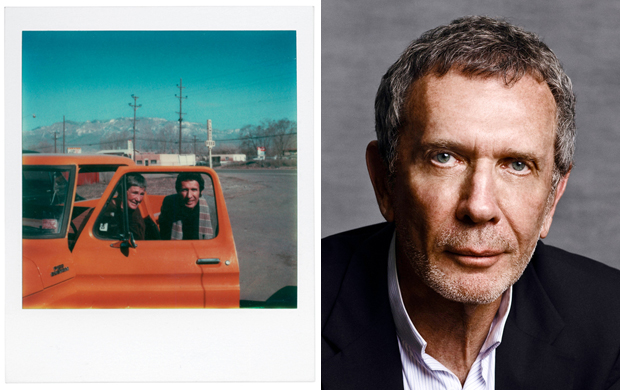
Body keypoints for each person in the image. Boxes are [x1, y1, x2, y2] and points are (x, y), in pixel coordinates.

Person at [322, 16, 620, 389]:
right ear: (385, 182)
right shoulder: (292, 319)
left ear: (553, 196)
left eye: (517, 165)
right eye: (444, 157)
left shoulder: (611, 327)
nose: (479, 208)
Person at [159, 172, 215, 240]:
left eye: (194, 190)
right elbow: (164, 234)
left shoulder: (212, 205)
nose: (189, 196)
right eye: (184, 190)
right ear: (178, 191)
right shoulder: (169, 203)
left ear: (201, 191)